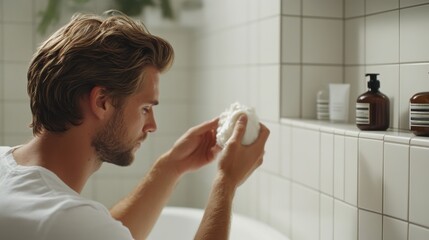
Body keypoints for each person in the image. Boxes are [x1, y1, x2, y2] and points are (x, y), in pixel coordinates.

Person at [0, 11, 270, 240]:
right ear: (102, 101)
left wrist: (172, 166)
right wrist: (226, 182)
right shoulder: (62, 220)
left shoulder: (9, 170)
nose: (152, 125)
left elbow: (105, 232)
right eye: (145, 108)